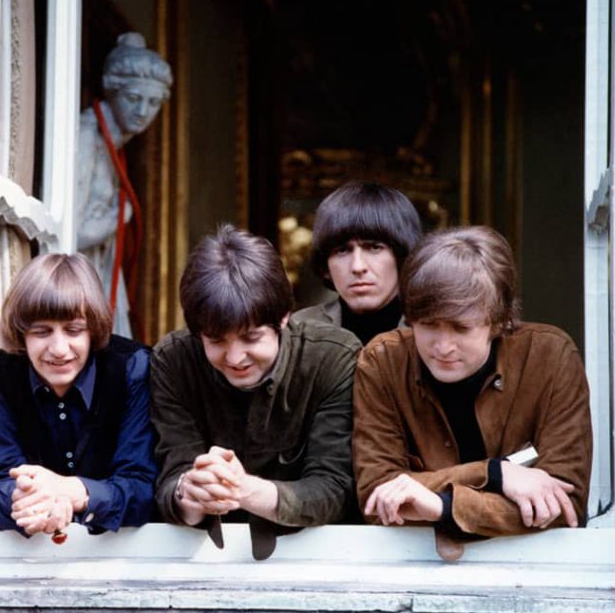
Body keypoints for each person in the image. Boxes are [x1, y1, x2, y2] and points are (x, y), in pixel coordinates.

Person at [353, 226, 592, 561]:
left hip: (532, 563)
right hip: (410, 562)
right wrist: (495, 473)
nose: (443, 346)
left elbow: (566, 503)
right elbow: (377, 497)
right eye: (427, 325)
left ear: (499, 322)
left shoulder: (550, 356)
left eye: (462, 328)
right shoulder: (383, 361)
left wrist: (442, 507)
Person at [150, 225, 361, 560]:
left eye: (251, 338)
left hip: (318, 556)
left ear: (283, 317)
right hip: (200, 560)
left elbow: (334, 489)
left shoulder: (332, 358)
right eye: (216, 341)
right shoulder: (173, 361)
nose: (234, 358)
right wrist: (190, 494)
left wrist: (243, 489)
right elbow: (170, 476)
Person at [0, 253, 156, 538]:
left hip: (122, 554)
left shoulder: (133, 368)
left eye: (73, 330)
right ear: (21, 334)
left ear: (92, 331)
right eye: (42, 331)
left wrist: (74, 493)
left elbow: (143, 487)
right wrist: (29, 499)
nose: (59, 348)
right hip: (25, 557)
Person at [76, 33, 173, 336]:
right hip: (81, 284)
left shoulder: (114, 145)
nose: (143, 112)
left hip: (102, 278)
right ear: (112, 92)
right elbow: (73, 234)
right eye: (133, 98)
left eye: (153, 102)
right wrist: (121, 215)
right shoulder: (85, 138)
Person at [293, 180, 422, 344]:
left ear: (402, 257)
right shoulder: (300, 333)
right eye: (342, 251)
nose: (357, 267)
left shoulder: (432, 330)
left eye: (374, 248)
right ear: (326, 266)